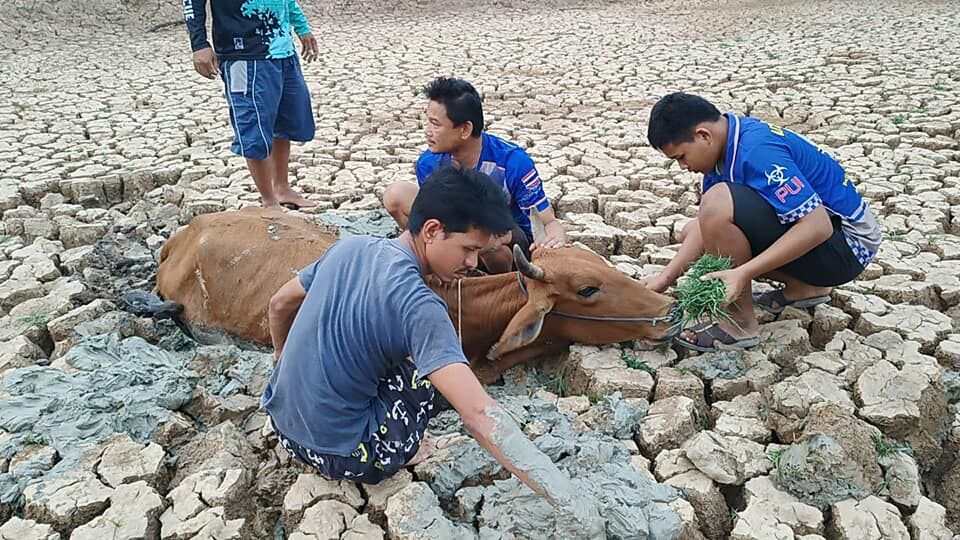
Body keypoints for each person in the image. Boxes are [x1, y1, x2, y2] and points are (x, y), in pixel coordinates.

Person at [263, 167, 601, 532]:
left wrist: (283, 364)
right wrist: (567, 499)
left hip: (283, 425)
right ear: (432, 230)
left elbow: (280, 304)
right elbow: (478, 414)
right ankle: (405, 448)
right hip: (347, 456)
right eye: (468, 250)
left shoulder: (350, 246)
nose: (472, 265)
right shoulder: (420, 307)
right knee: (427, 367)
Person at [643, 93, 881, 352]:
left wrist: (742, 273)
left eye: (681, 156)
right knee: (697, 228)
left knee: (717, 207)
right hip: (830, 246)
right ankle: (805, 287)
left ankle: (739, 323)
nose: (682, 166)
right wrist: (665, 279)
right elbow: (705, 230)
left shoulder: (757, 149)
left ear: (703, 136)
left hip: (847, 248)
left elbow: (818, 225)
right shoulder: (724, 152)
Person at [383, 77, 566, 274]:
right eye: (428, 121)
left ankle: (491, 286)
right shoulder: (428, 163)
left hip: (503, 235)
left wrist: (555, 239)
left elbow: (548, 222)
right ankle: (433, 265)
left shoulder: (513, 163)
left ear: (465, 129)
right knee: (397, 194)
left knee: (491, 241)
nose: (427, 131)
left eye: (436, 124)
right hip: (457, 225)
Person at [183, 0, 319, 209]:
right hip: (244, 55)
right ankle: (269, 201)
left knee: (284, 123)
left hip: (283, 52)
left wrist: (302, 27)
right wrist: (199, 44)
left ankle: (281, 188)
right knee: (253, 129)